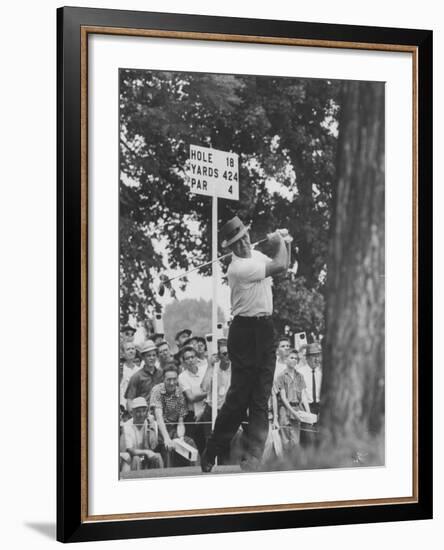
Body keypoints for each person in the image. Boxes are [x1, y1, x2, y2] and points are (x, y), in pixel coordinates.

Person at [202, 216, 290, 472]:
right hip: (243, 331)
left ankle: (253, 456)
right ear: (231, 248)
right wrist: (279, 242)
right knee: (239, 398)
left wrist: (285, 241)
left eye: (245, 238)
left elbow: (283, 263)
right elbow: (280, 264)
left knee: (261, 396)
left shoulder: (258, 256)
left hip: (265, 329)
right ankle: (213, 449)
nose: (243, 244)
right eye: (237, 243)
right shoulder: (237, 268)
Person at [150, 364, 196, 467]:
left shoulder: (180, 393)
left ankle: (196, 472)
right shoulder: (157, 390)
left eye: (174, 379)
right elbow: (159, 417)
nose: (172, 383)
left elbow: (180, 421)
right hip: (157, 430)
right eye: (169, 379)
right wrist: (166, 438)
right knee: (168, 447)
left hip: (174, 430)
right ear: (163, 379)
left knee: (189, 443)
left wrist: (181, 438)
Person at [199, 338, 232, 462]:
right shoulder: (213, 368)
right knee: (210, 443)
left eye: (229, 353)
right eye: (224, 354)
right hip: (212, 410)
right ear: (218, 355)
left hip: (228, 411)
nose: (227, 356)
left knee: (226, 444)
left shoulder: (235, 368)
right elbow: (204, 388)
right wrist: (210, 366)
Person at [274, 349, 311, 451]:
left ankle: (294, 464)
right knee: (285, 441)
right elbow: (283, 397)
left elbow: (303, 396)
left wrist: (308, 414)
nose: (294, 360)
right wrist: (292, 412)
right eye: (291, 357)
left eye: (296, 358)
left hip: (297, 409)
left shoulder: (300, 376)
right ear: (286, 359)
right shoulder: (281, 376)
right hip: (285, 410)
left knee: (295, 441)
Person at [120, 397, 163, 472]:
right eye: (138, 411)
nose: (141, 414)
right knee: (136, 459)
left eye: (144, 411)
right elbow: (130, 450)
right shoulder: (127, 426)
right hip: (132, 458)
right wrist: (146, 452)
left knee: (158, 456)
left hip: (146, 457)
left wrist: (150, 428)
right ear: (132, 413)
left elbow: (153, 446)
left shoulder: (151, 423)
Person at [178, 345, 207, 455]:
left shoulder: (205, 371)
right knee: (200, 445)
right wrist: (208, 393)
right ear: (184, 361)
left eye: (192, 357)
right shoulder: (182, 377)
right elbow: (191, 398)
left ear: (196, 358)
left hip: (207, 411)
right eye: (187, 358)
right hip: (193, 415)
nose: (190, 360)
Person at [124, 340, 164, 412]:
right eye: (148, 355)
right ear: (143, 357)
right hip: (143, 415)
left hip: (160, 413)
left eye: (154, 355)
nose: (152, 358)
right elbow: (130, 400)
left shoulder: (161, 374)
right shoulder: (136, 377)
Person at [297, 342, 322, 448]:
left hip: (320, 408)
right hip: (306, 407)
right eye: (314, 356)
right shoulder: (300, 372)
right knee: (307, 440)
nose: (317, 359)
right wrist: (308, 413)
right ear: (307, 358)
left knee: (320, 439)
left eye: (318, 356)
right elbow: (300, 395)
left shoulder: (321, 372)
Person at [120, 340, 141, 410]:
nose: (131, 351)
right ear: (123, 353)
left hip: (137, 405)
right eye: (128, 349)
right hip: (123, 405)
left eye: (133, 348)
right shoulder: (120, 369)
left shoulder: (139, 369)